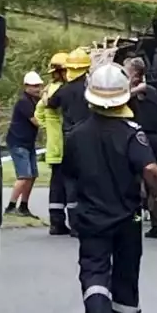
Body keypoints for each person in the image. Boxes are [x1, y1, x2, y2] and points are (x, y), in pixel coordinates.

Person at [59, 63, 157, 313]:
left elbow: (68, 173)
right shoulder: (132, 132)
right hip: (128, 216)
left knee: (93, 269)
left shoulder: (76, 135)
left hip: (91, 215)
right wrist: (156, 199)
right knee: (126, 271)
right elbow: (150, 169)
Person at [46, 48, 93, 237]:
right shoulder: (90, 90)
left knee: (63, 181)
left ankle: (57, 222)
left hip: (66, 139)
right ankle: (77, 224)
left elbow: (48, 104)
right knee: (81, 182)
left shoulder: (61, 91)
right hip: (87, 139)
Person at [125, 56, 157, 239]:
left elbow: (125, 95)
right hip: (154, 140)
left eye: (126, 71)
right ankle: (156, 226)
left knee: (139, 187)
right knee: (151, 188)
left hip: (145, 140)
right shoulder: (148, 90)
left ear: (135, 74)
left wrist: (128, 83)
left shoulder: (141, 90)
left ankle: (138, 223)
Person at [36, 52, 71, 234]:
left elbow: (38, 114)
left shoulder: (48, 90)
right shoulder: (61, 90)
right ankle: (68, 222)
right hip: (64, 144)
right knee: (71, 183)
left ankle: (56, 222)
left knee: (56, 185)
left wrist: (47, 127)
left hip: (54, 146)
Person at [4, 70, 45, 217]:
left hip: (28, 143)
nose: (37, 89)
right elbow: (35, 121)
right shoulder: (24, 102)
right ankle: (11, 206)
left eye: (38, 86)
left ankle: (24, 206)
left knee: (32, 175)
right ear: (26, 87)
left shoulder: (35, 101)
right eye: (34, 86)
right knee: (24, 176)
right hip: (18, 142)